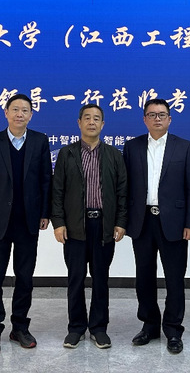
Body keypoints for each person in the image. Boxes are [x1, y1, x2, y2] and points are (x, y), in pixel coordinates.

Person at [0, 93, 53, 354]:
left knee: (25, 277)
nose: (20, 114)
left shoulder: (40, 141)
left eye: (25, 110)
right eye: (15, 109)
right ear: (6, 112)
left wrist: (45, 212)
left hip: (28, 220)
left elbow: (46, 180)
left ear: (31, 115)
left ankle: (20, 326)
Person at [123, 98, 190, 354]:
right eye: (152, 114)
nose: (157, 118)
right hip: (142, 221)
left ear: (169, 119)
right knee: (144, 277)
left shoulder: (185, 147)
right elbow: (125, 187)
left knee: (174, 278)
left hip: (174, 223)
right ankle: (149, 325)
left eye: (162, 114)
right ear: (144, 119)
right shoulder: (132, 147)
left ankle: (173, 329)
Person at [51, 104, 128, 350]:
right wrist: (58, 223)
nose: (92, 122)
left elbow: (122, 192)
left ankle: (98, 328)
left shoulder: (114, 155)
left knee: (100, 279)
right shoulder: (67, 154)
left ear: (103, 125)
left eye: (96, 119)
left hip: (103, 226)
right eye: (87, 118)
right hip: (74, 225)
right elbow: (57, 191)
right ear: (79, 123)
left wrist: (120, 222)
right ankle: (76, 328)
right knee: (75, 279)